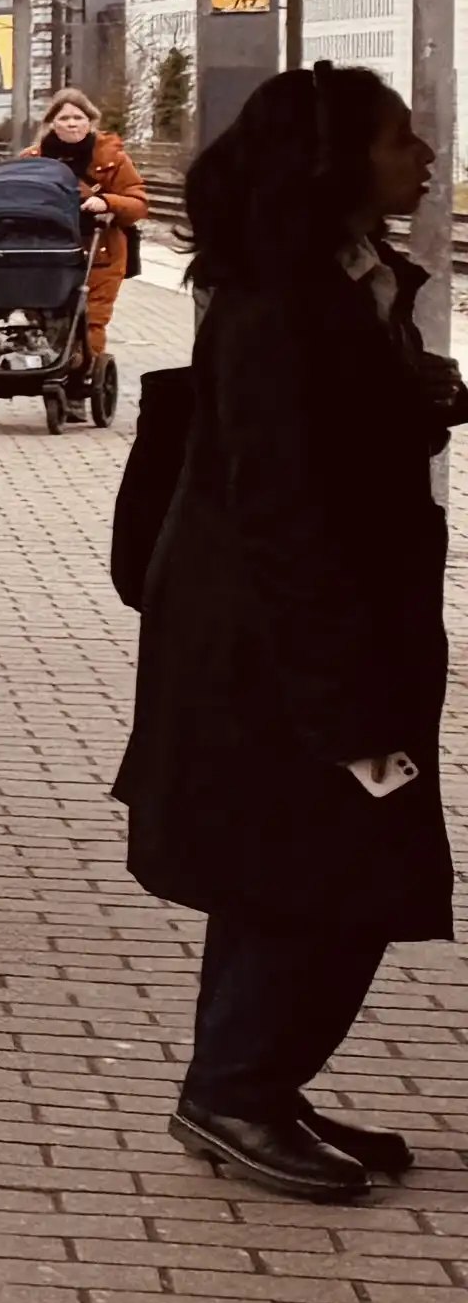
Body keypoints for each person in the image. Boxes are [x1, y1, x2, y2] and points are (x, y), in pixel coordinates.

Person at [119, 59, 458, 1199]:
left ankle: (252, 1083)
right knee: (336, 875)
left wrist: (415, 394)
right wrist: (343, 704)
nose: (420, 155)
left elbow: (329, 443)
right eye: (399, 138)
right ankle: (232, 1094)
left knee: (283, 877)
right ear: (336, 163)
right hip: (285, 652)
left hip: (313, 639)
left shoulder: (338, 277)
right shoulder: (281, 303)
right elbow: (282, 510)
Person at [38, 90, 151, 369]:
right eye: (64, 118)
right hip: (47, 251)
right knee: (47, 317)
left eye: (79, 117)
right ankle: (54, 368)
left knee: (90, 318)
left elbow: (138, 203)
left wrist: (106, 202)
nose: (72, 123)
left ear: (90, 121)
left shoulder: (112, 158)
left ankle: (80, 380)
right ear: (52, 122)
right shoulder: (33, 157)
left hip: (100, 252)